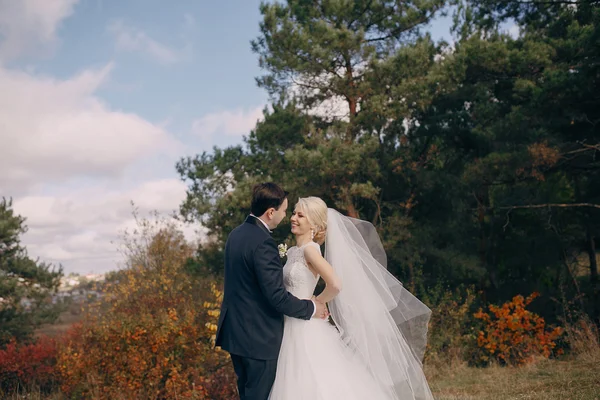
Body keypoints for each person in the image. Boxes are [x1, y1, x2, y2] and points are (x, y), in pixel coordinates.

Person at [268, 196, 434, 400]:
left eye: (301, 215)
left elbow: (336, 284)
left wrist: (318, 301)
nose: (294, 218)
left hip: (304, 326)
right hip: (291, 322)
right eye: (294, 213)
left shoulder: (310, 251)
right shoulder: (294, 251)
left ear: (314, 224)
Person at [215, 183, 329, 400]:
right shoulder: (263, 243)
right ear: (270, 212)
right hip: (259, 339)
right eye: (286, 211)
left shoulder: (235, 235)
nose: (287, 216)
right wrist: (313, 306)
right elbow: (276, 297)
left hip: (234, 335)